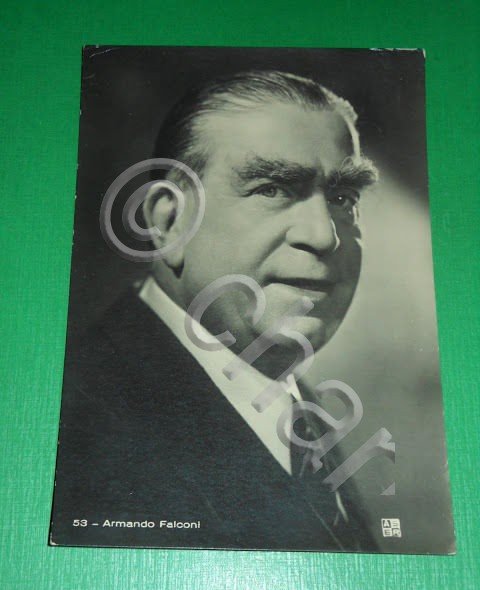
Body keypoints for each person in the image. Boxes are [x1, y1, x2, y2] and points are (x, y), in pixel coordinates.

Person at [51, 70, 379, 551]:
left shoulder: (299, 410)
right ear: (169, 222)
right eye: (272, 188)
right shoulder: (79, 426)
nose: (323, 235)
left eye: (343, 197)